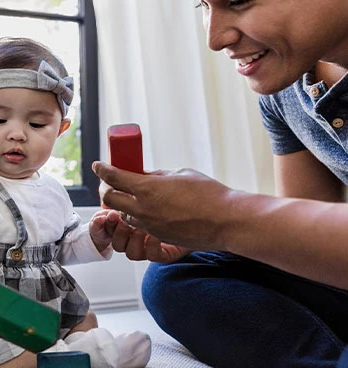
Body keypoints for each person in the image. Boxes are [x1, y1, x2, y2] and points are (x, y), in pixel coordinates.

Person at [93, 1, 348, 367]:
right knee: (174, 272)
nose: (214, 38)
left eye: (238, 1)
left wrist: (225, 216)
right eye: (202, 4)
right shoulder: (285, 92)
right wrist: (204, 227)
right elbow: (309, 255)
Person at [0, 37, 151, 368]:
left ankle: (70, 352)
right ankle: (76, 360)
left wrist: (95, 237)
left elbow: (63, 248)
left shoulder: (51, 189)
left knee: (84, 318)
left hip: (41, 305)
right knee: (3, 354)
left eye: (36, 124)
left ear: (60, 129)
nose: (18, 134)